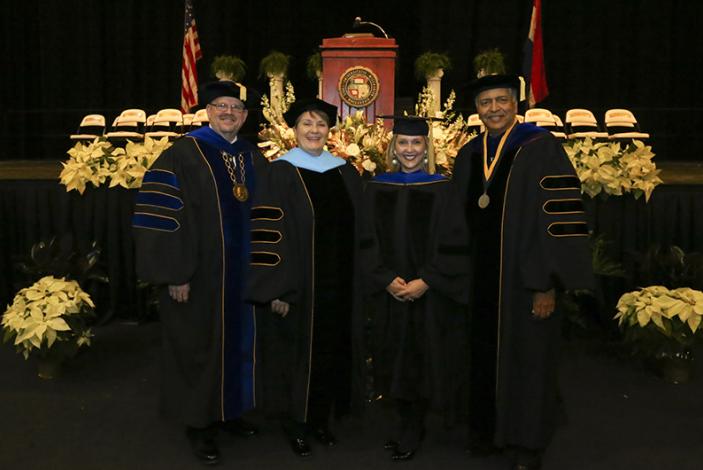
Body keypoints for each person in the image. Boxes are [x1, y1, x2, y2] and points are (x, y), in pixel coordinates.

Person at [448, 74, 593, 470]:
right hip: (480, 280)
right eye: (485, 103)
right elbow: (454, 222)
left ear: (516, 104)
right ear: (476, 110)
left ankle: (527, 444)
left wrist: (545, 284)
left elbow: (558, 221)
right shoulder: (468, 153)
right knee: (481, 355)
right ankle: (487, 431)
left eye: (501, 100)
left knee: (528, 361)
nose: (493, 108)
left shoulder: (541, 148)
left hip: (524, 280)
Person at [132, 80, 265, 465]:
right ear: (207, 111)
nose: (228, 113)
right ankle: (199, 424)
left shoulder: (252, 155)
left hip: (243, 276)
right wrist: (175, 273)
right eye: (221, 106)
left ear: (244, 116)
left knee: (239, 343)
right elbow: (160, 216)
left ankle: (231, 411)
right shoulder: (183, 154)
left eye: (236, 109)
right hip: (198, 276)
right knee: (198, 346)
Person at [245, 98, 366, 457]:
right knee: (295, 355)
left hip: (340, 284)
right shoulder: (279, 172)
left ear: (330, 131)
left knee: (332, 350)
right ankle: (295, 422)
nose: (314, 131)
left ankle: (321, 419)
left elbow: (361, 230)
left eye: (321, 125)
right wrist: (277, 288)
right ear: (293, 130)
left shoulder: (345, 172)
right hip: (299, 287)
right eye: (306, 125)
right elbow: (267, 233)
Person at [363, 116, 470, 461]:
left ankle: (415, 425)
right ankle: (403, 420)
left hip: (428, 293)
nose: (409, 150)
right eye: (403, 144)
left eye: (416, 144)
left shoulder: (443, 188)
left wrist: (428, 280)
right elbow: (365, 239)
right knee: (392, 353)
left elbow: (455, 240)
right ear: (394, 147)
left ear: (427, 149)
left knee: (422, 357)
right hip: (390, 290)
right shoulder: (377, 185)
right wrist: (383, 278)